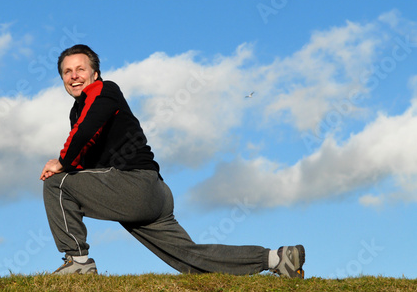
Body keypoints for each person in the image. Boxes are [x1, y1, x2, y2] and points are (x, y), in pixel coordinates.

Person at [40, 44, 306, 278]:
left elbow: (84, 133)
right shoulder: (80, 109)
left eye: (80, 69)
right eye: (67, 72)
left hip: (134, 184)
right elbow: (86, 158)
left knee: (56, 184)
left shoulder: (103, 90)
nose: (74, 76)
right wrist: (71, 164)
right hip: (154, 194)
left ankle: (77, 261)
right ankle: (277, 258)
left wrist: (61, 163)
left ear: (94, 74)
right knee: (190, 259)